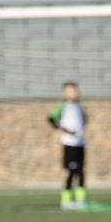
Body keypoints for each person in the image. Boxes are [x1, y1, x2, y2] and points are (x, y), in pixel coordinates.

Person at [48, 81, 88, 210]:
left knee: (81, 171)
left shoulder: (79, 106)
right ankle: (66, 200)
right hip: (69, 143)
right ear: (65, 93)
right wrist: (64, 129)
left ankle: (81, 199)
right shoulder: (63, 106)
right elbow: (51, 118)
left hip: (80, 143)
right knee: (72, 171)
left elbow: (84, 120)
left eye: (75, 90)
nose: (74, 93)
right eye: (71, 90)